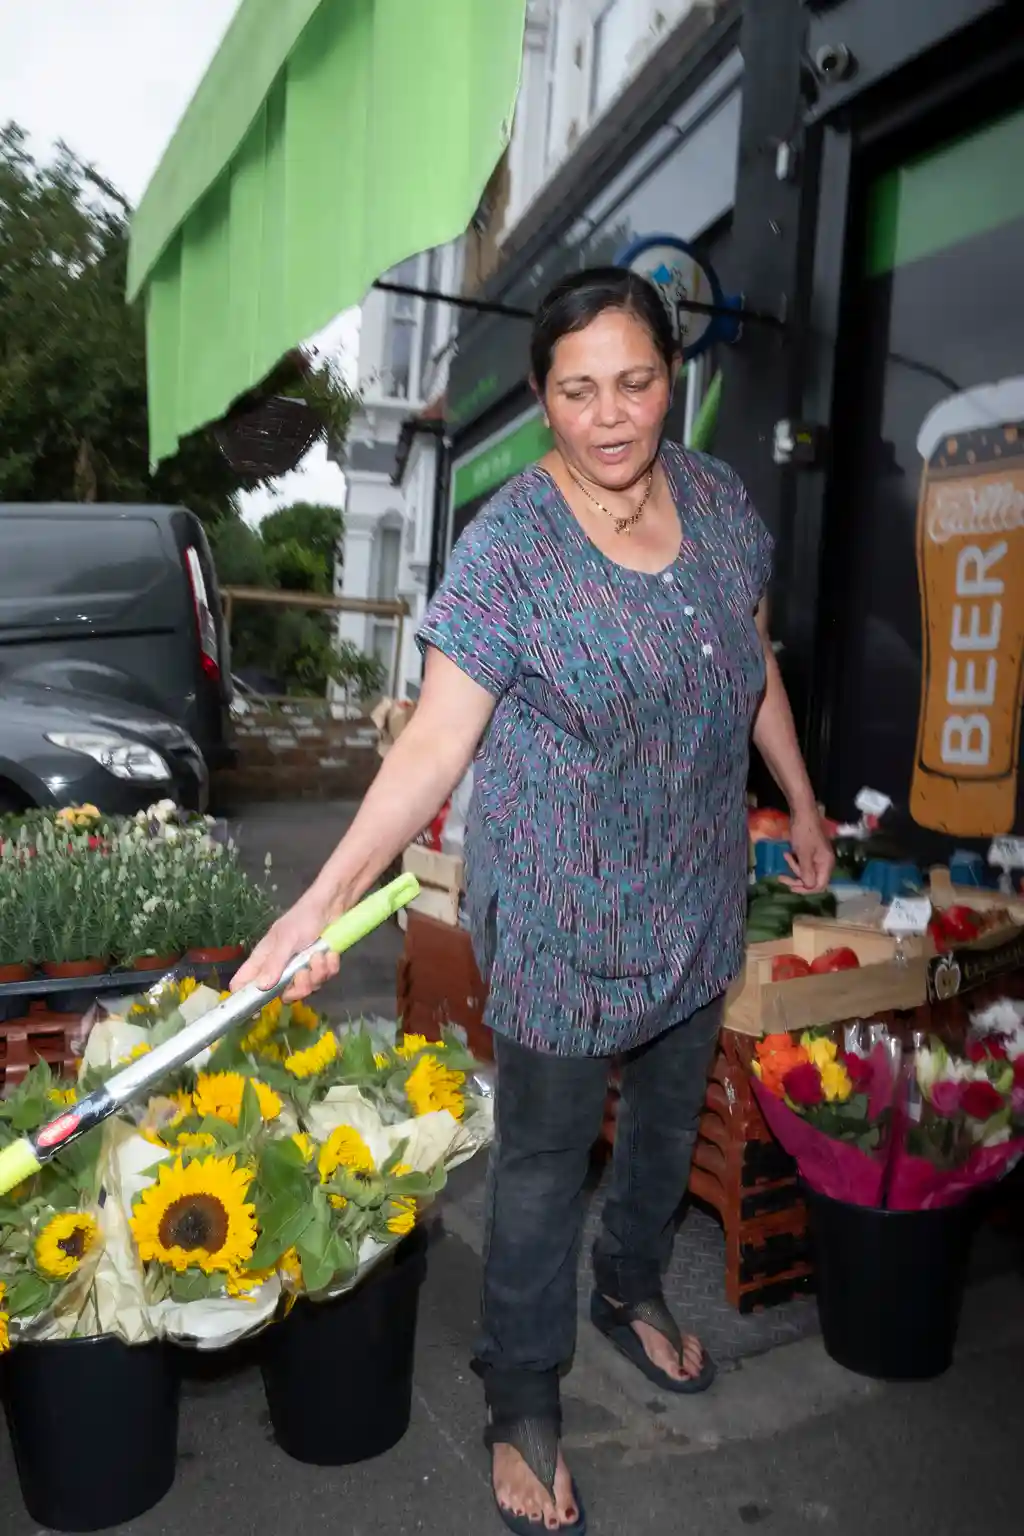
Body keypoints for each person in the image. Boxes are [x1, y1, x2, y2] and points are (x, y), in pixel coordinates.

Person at [232, 267, 834, 1534]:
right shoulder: (509, 548)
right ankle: (519, 1396)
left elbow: (753, 662)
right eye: (577, 391)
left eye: (635, 383)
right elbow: (434, 742)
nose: (610, 417)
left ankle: (628, 1287)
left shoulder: (720, 504)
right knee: (546, 1163)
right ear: (540, 398)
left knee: (664, 1125)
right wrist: (318, 901)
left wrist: (802, 800)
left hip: (695, 881)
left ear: (672, 379)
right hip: (562, 903)